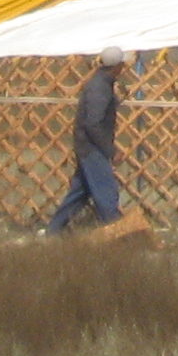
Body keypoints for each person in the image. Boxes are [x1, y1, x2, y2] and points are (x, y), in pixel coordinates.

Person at [47, 46, 127, 234]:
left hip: (88, 146)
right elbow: (93, 123)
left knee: (79, 194)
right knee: (107, 194)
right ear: (117, 66)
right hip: (92, 148)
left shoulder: (102, 84)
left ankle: (53, 232)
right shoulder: (99, 87)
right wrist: (111, 150)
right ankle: (119, 235)